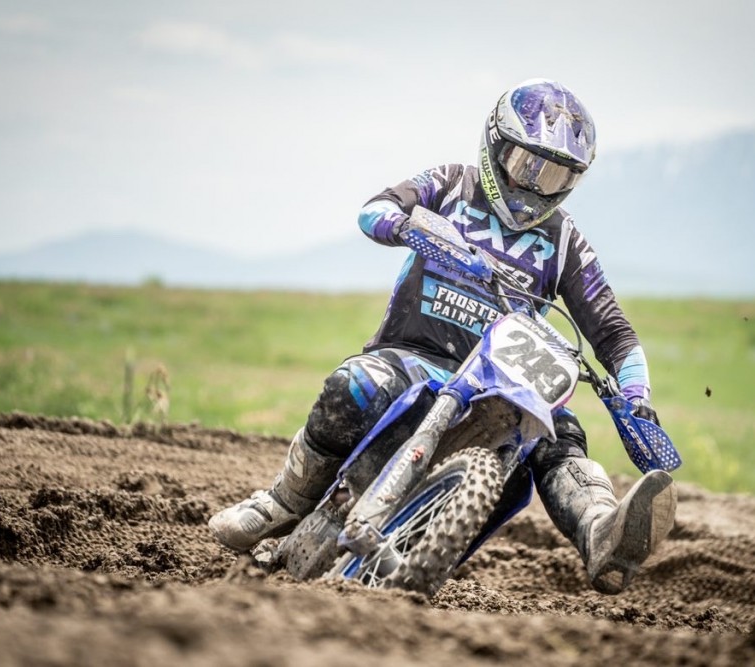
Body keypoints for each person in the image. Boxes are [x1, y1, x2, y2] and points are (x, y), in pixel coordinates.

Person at [209, 78, 676, 594]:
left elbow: (613, 331)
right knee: (353, 385)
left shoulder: (565, 240)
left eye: (555, 175)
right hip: (415, 356)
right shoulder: (452, 184)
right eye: (527, 165)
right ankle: (284, 501)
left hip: (507, 381)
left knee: (559, 436)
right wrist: (410, 228)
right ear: (496, 144)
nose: (535, 186)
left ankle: (602, 533)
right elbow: (374, 209)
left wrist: (637, 396)